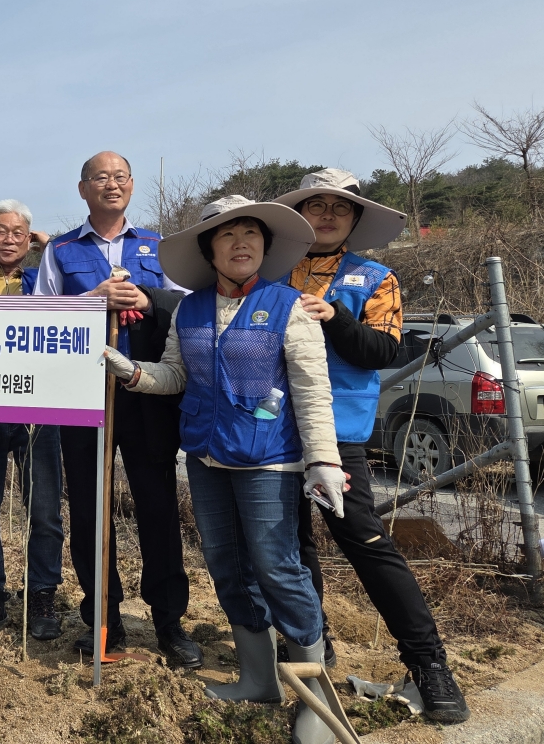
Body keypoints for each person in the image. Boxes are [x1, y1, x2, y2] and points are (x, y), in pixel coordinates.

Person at [103, 195, 345, 744]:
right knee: (226, 564)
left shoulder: (289, 306)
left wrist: (324, 460)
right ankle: (258, 678)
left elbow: (312, 390)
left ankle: (315, 691)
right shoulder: (189, 310)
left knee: (277, 566)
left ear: (265, 246)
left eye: (251, 234)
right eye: (227, 235)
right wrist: (133, 373)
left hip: (269, 460)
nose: (241, 243)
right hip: (206, 457)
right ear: (209, 251)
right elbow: (175, 375)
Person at [275, 169, 470, 723]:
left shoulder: (376, 278)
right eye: (316, 205)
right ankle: (311, 642)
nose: (328, 215)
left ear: (356, 218)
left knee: (365, 541)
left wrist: (335, 316)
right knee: (289, 544)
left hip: (338, 434)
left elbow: (383, 353)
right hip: (272, 428)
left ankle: (429, 664)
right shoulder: (271, 271)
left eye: (341, 206)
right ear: (299, 215)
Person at [34, 151, 200, 667]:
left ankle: (169, 621)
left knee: (157, 505)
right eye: (100, 177)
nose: (111, 184)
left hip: (148, 391)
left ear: (131, 185)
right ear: (82, 188)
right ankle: (103, 618)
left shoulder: (159, 246)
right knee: (90, 507)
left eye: (120, 176)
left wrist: (148, 299)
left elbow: (187, 308)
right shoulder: (61, 250)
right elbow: (39, 317)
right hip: (84, 395)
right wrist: (91, 300)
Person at [0, 199, 64, 640]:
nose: (9, 239)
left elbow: (78, 271)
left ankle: (42, 593)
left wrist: (49, 243)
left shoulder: (46, 279)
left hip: (38, 411)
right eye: (0, 231)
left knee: (44, 510)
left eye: (18, 233)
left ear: (30, 240)